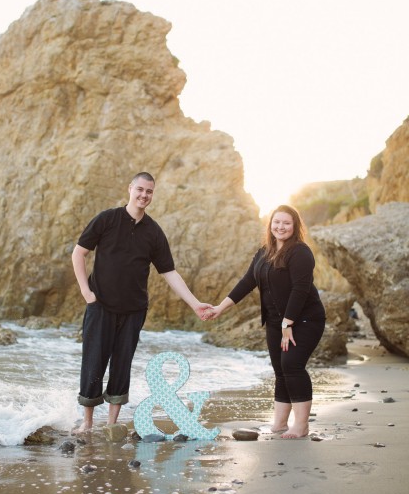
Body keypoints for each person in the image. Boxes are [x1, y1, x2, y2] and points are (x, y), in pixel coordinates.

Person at [71, 172, 211, 432]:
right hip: (100, 306)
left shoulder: (153, 232)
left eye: (149, 192)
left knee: (122, 365)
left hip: (134, 310)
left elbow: (169, 272)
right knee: (93, 363)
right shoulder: (107, 219)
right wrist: (86, 293)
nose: (144, 195)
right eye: (140, 189)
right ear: (130, 188)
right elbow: (79, 253)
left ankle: (112, 424)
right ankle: (88, 423)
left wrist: (194, 303)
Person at [203, 205, 326, 438]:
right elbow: (247, 282)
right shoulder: (263, 252)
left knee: (292, 365)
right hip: (275, 321)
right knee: (280, 370)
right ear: (270, 225)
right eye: (276, 222)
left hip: (305, 319)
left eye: (286, 223)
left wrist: (288, 324)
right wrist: (220, 307)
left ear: (295, 226)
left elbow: (300, 289)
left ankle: (301, 425)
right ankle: (280, 423)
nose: (280, 227)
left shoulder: (301, 252)